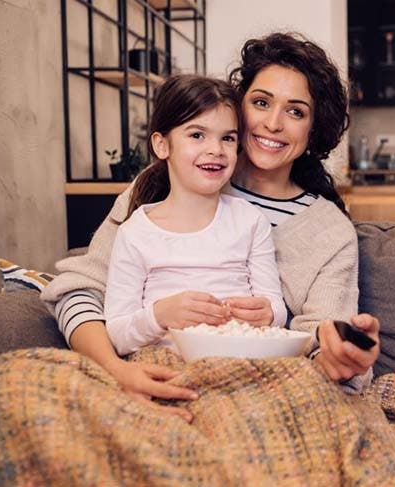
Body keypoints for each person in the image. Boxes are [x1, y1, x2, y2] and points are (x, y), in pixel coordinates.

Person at [40, 32, 380, 421]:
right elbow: (79, 291)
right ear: (238, 107)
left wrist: (341, 353)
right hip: (145, 370)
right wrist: (118, 372)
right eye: (261, 102)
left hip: (258, 387)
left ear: (314, 129)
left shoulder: (330, 232)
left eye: (296, 111)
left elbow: (319, 337)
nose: (272, 123)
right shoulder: (161, 187)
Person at [103, 74, 286, 356]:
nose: (216, 150)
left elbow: (275, 307)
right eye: (197, 135)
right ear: (161, 145)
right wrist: (159, 315)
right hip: (164, 360)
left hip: (240, 358)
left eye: (227, 138)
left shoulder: (250, 221)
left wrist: (269, 314)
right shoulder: (136, 232)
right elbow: (117, 334)